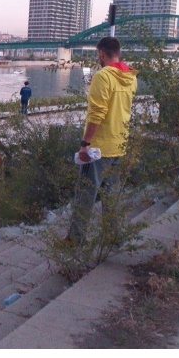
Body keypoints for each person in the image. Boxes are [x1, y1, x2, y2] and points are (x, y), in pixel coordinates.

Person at [68, 37, 138, 244]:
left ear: (101, 53)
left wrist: (85, 143)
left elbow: (98, 113)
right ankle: (112, 237)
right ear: (119, 53)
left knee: (85, 195)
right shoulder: (131, 77)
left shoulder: (103, 76)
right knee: (111, 195)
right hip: (119, 144)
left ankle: (75, 239)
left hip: (99, 147)